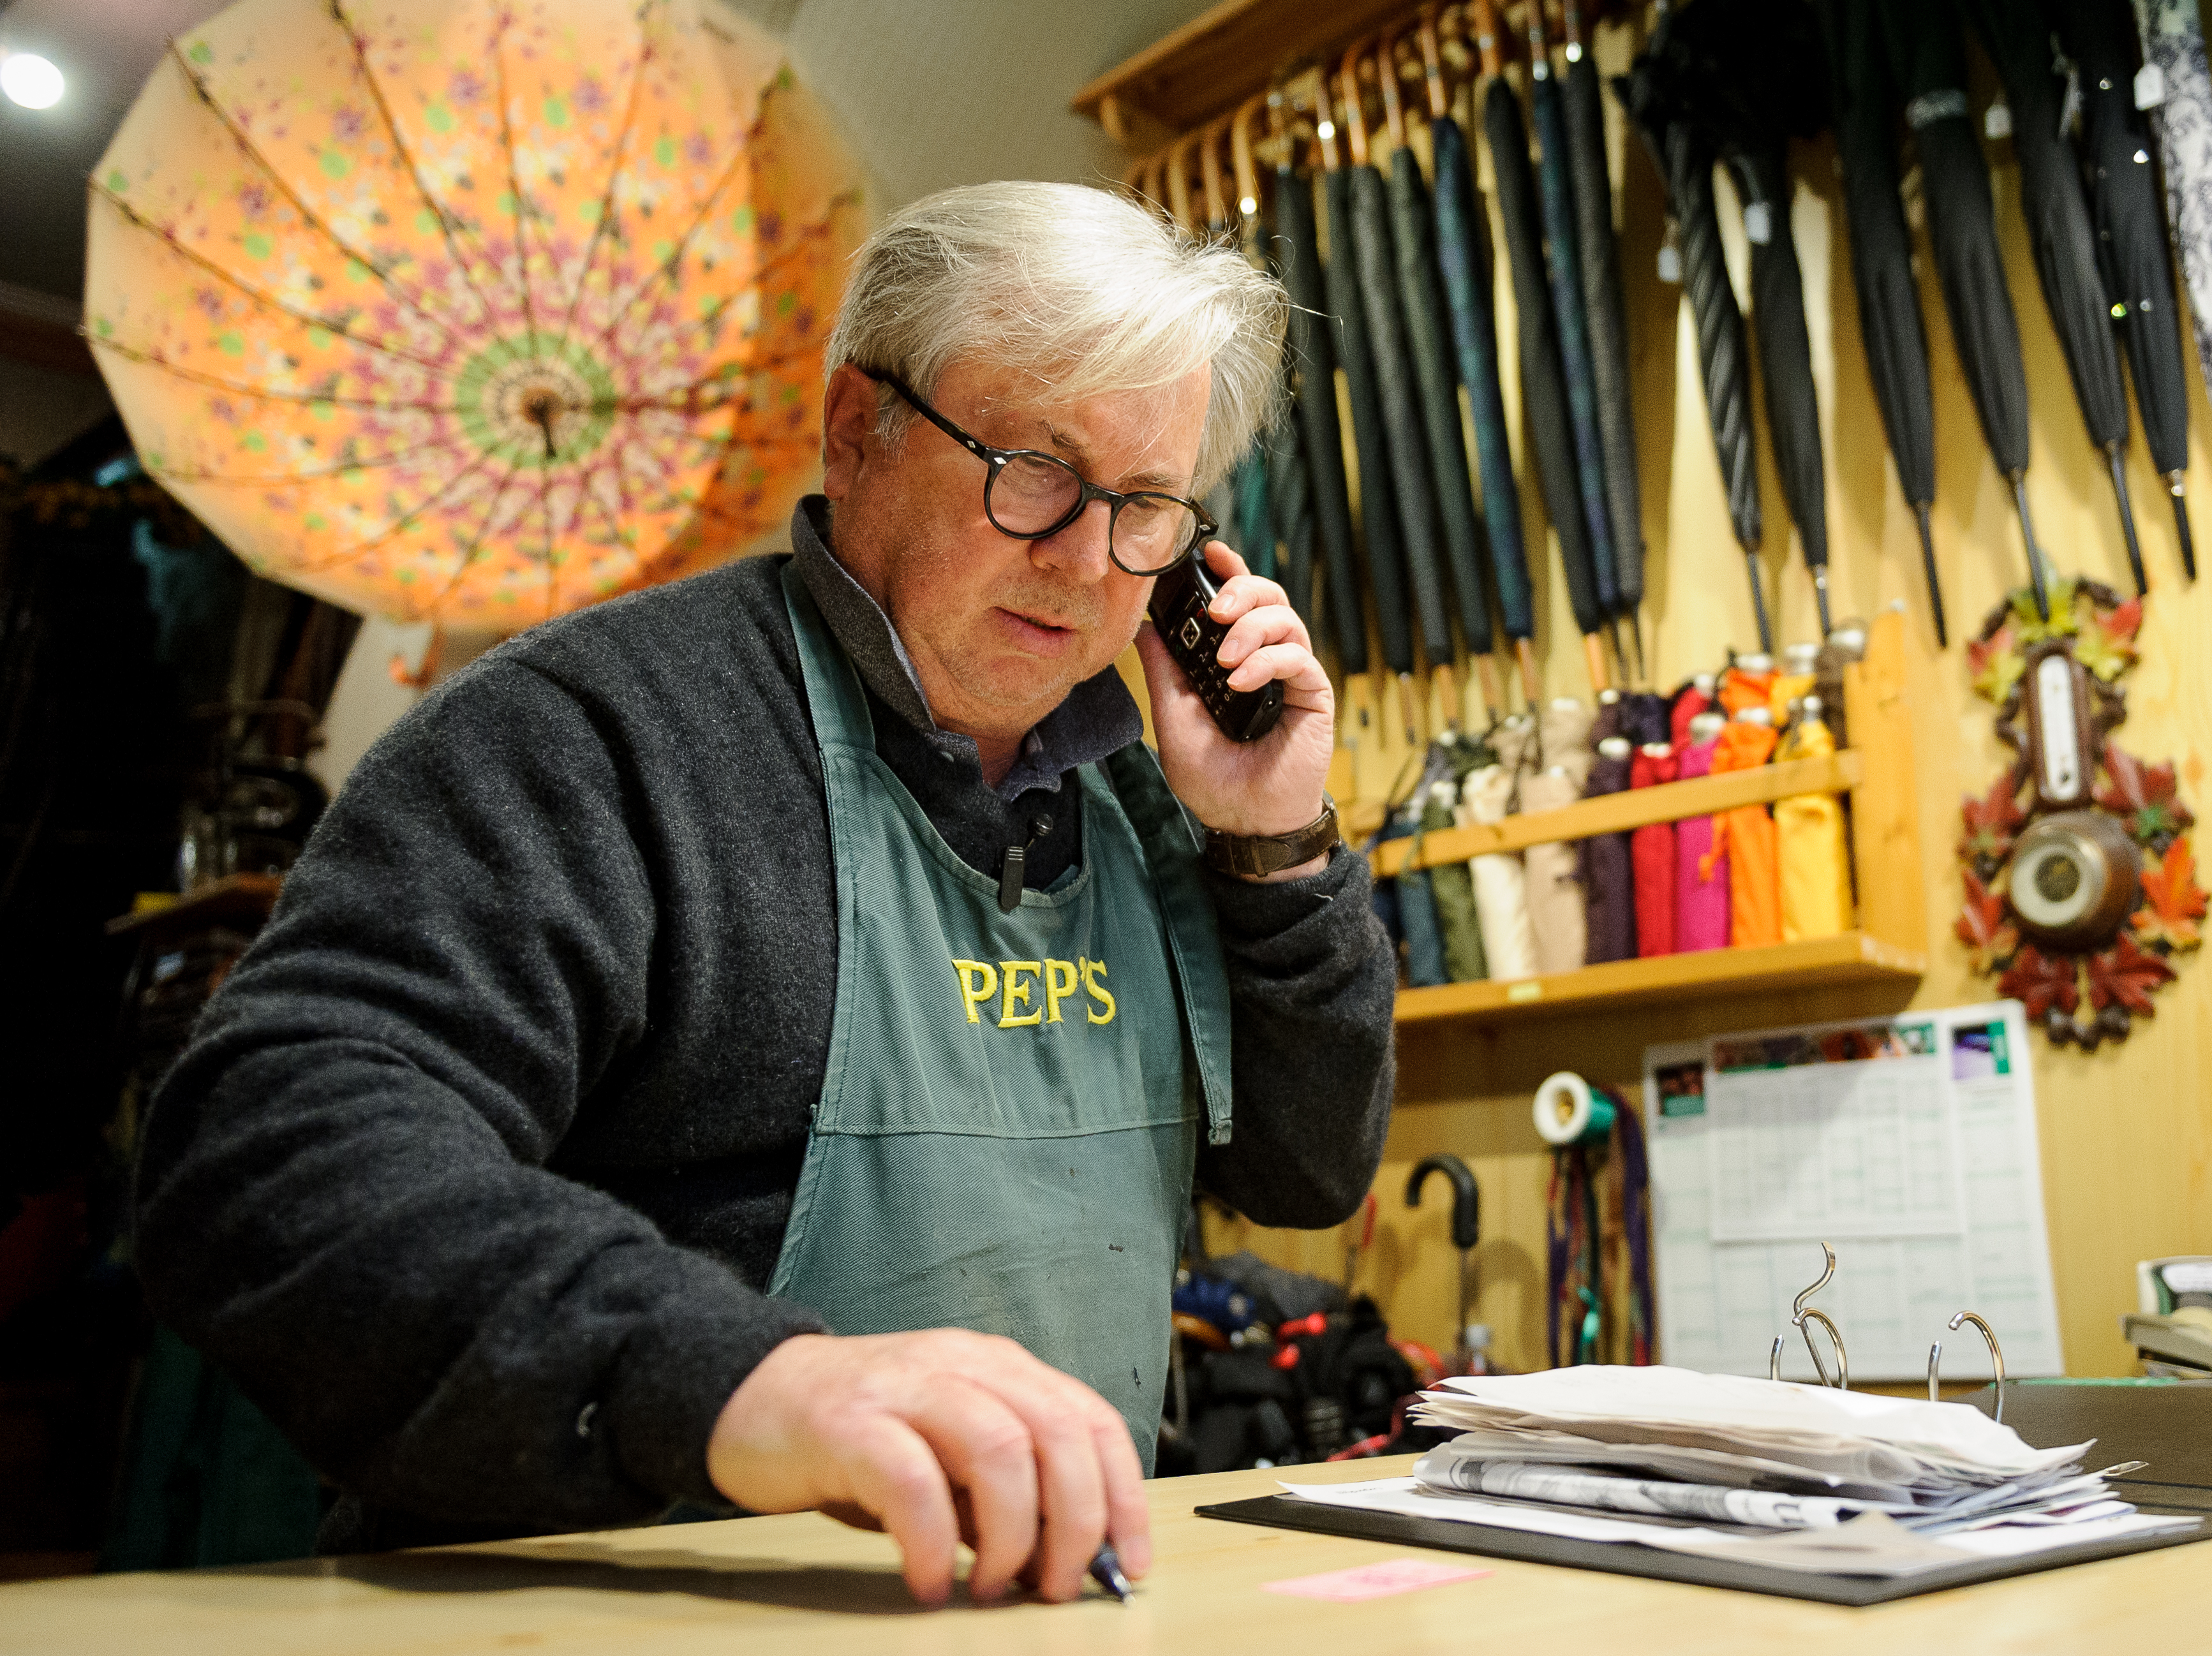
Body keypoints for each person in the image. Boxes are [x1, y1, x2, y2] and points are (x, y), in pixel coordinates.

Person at [134, 183, 1397, 1606]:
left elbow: (1306, 1173)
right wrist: (742, 1378)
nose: (1085, 559)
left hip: (1037, 1607)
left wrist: (1275, 846)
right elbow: (265, 1149)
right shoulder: (589, 735)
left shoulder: (1151, 794)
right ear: (857, 428)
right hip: (611, 1618)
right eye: (1036, 469)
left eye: (1144, 506)